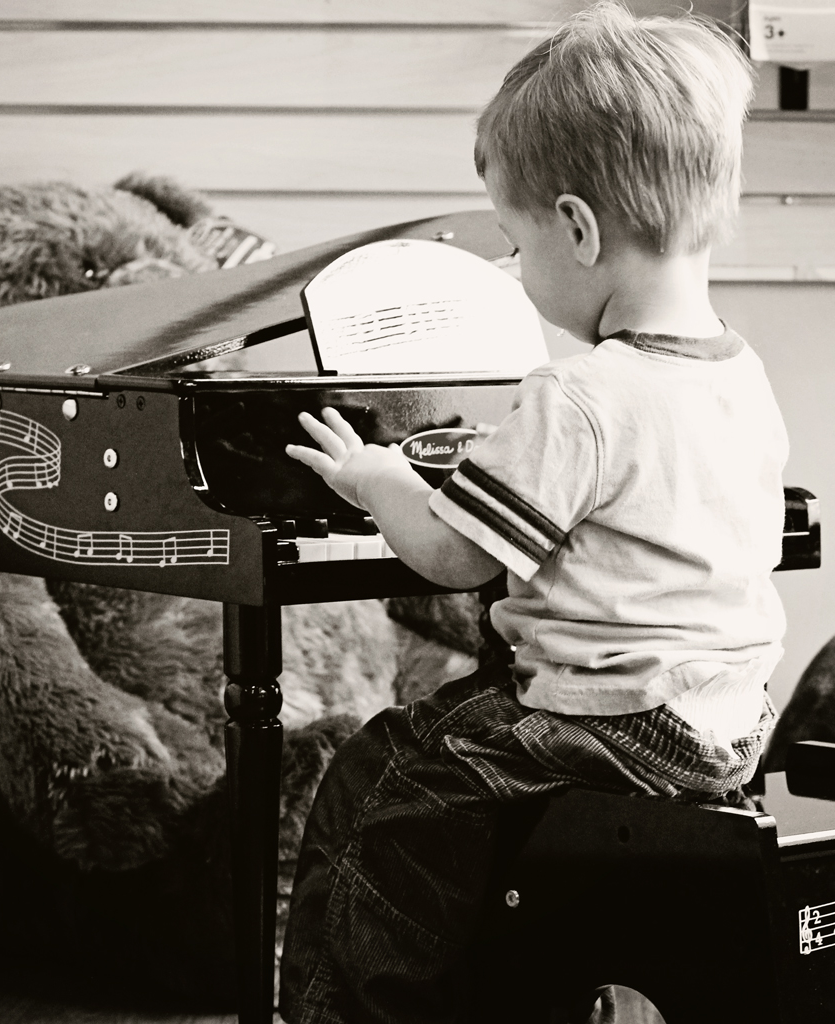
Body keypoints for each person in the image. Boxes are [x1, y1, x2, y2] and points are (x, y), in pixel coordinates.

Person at [278, 3, 787, 1023]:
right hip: (724, 726)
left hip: (606, 721)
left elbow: (453, 554)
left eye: (513, 244)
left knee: (377, 779)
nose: (513, 272)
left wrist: (379, 478)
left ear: (576, 227)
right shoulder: (738, 370)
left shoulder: (580, 393)